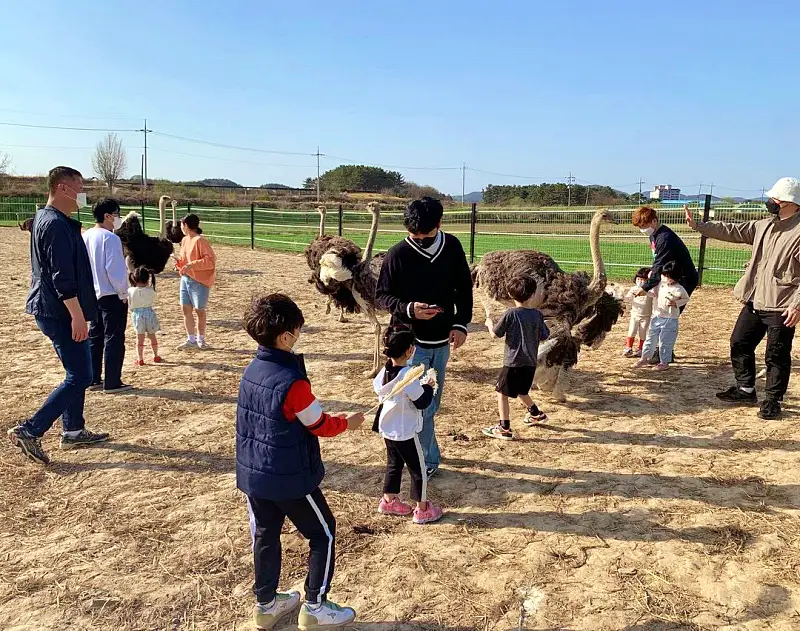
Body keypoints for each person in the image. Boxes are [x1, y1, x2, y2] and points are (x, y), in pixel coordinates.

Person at [236, 293, 363, 630]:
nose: (299, 334)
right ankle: (316, 606)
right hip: (289, 477)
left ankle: (265, 605)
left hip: (254, 475)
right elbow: (318, 424)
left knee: (265, 534)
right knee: (324, 533)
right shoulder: (292, 382)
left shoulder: (251, 369)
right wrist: (347, 422)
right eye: (297, 330)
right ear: (285, 336)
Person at [7, 166, 109, 465]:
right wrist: (77, 315)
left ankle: (74, 430)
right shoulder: (54, 224)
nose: (83, 191)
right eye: (80, 185)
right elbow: (61, 276)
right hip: (60, 312)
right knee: (81, 376)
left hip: (56, 308)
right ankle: (30, 429)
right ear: (63, 188)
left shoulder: (51, 219)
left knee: (77, 372)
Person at [686, 177, 800, 419]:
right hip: (755, 298)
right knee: (740, 342)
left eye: (775, 199)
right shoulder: (765, 225)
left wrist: (797, 305)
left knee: (776, 354)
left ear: (790, 203)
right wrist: (699, 226)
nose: (771, 202)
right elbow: (733, 230)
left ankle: (773, 399)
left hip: (782, 304)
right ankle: (746, 388)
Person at [376, 197, 473, 481]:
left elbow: (464, 290)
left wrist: (460, 324)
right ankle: (425, 460)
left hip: (441, 342)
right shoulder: (397, 253)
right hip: (408, 344)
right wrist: (408, 309)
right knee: (415, 405)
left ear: (439, 224)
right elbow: (382, 295)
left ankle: (423, 453)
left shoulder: (452, 247)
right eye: (413, 234)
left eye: (425, 234)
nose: (419, 239)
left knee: (430, 404)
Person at [372, 326, 443, 524]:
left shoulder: (384, 373)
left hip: (388, 430)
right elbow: (422, 402)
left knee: (394, 465)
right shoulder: (407, 377)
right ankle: (423, 509)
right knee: (417, 469)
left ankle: (389, 500)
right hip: (405, 432)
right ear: (410, 350)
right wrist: (428, 387)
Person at [482, 275, 549, 440]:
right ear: (533, 294)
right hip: (530, 362)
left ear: (510, 294)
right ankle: (536, 414)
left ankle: (504, 428)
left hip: (513, 362)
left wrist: (489, 324)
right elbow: (544, 335)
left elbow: (495, 334)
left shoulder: (510, 314)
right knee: (520, 390)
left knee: (501, 393)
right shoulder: (537, 315)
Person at [631, 206, 699, 363]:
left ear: (654, 221)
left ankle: (663, 353)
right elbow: (657, 263)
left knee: (668, 316)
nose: (643, 229)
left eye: (644, 226)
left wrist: (645, 288)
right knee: (661, 312)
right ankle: (661, 351)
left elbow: (659, 264)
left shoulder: (665, 238)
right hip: (669, 278)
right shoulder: (655, 235)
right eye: (640, 227)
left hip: (682, 279)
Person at [82, 197, 131, 393]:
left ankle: (93, 378)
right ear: (108, 216)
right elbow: (114, 269)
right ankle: (113, 381)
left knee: (95, 336)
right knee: (114, 337)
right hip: (111, 295)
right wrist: (123, 292)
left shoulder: (86, 236)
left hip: (93, 294)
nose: (118, 219)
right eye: (117, 215)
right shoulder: (110, 238)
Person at [633, 260, 690, 371]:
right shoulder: (660, 285)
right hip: (657, 316)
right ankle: (644, 358)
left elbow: (686, 299)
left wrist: (676, 303)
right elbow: (652, 293)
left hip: (670, 319)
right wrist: (643, 292)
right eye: (664, 275)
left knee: (665, 341)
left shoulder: (679, 288)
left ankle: (664, 362)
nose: (665, 278)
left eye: (669, 276)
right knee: (650, 338)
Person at [175, 214, 216, 350]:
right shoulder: (185, 240)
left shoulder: (200, 241)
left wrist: (191, 265)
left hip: (199, 281)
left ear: (186, 225)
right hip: (186, 278)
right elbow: (183, 257)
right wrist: (179, 263)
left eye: (181, 225)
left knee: (199, 310)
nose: (181, 227)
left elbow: (210, 261)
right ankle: (190, 339)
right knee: (185, 308)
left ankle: (201, 339)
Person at [127, 266, 162, 366]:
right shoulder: (150, 290)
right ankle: (155, 355)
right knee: (152, 336)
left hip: (137, 315)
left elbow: (130, 305)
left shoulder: (130, 291)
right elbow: (154, 298)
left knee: (140, 338)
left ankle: (140, 358)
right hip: (149, 313)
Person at [623, 267, 654, 357]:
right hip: (635, 315)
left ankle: (641, 348)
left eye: (643, 280)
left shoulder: (650, 291)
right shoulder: (633, 289)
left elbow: (653, 295)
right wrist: (625, 298)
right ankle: (628, 347)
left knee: (643, 333)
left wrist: (645, 292)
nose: (640, 281)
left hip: (646, 316)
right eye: (638, 279)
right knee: (631, 331)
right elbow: (627, 299)